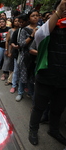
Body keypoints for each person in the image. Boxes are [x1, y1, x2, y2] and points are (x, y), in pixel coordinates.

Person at [28, 0, 66, 146]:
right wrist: (59, 11)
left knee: (58, 108)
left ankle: (54, 130)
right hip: (46, 76)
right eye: (63, 9)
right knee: (39, 107)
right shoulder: (45, 29)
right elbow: (40, 37)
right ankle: (33, 130)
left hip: (63, 79)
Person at [15, 10, 39, 102]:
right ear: (29, 18)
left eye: (37, 15)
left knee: (33, 78)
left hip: (37, 57)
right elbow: (21, 44)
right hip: (25, 57)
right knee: (23, 76)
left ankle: (31, 94)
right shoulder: (24, 30)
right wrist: (32, 36)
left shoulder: (42, 28)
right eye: (33, 15)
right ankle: (20, 92)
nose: (36, 17)